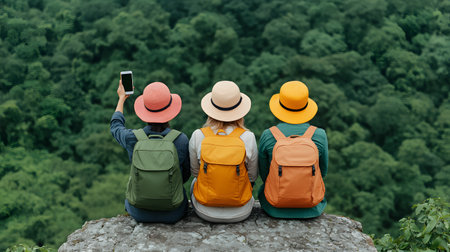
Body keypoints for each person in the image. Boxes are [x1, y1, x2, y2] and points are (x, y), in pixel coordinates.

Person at [110, 80, 190, 223]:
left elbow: (115, 127)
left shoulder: (132, 138)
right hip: (173, 212)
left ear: (144, 111)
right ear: (171, 111)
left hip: (139, 212)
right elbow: (184, 176)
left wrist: (122, 98)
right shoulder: (181, 140)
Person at [189, 81, 258, 223]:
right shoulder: (248, 137)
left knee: (195, 182)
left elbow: (196, 173)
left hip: (204, 211)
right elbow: (252, 176)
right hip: (241, 212)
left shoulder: (198, 135)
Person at [258, 81, 328, 218]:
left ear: (279, 106)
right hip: (311, 207)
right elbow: (323, 171)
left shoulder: (268, 135)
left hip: (273, 206)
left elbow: (265, 174)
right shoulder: (319, 135)